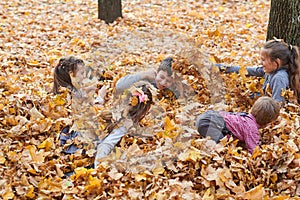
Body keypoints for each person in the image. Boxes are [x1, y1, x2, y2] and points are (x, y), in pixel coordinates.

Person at [216, 39, 300, 103]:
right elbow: (245, 70)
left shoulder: (279, 78)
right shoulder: (270, 70)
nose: (260, 62)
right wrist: (219, 67)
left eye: (263, 60)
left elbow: (278, 105)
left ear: (277, 62)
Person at [195, 96, 280, 153]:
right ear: (266, 123)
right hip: (208, 124)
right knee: (222, 148)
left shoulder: (244, 116)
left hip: (208, 116)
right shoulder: (252, 129)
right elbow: (254, 150)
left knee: (224, 137)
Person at [115, 57, 181, 99]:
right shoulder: (146, 81)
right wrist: (143, 75)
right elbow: (119, 86)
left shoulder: (173, 90)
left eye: (168, 81)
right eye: (161, 77)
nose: (163, 83)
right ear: (157, 72)